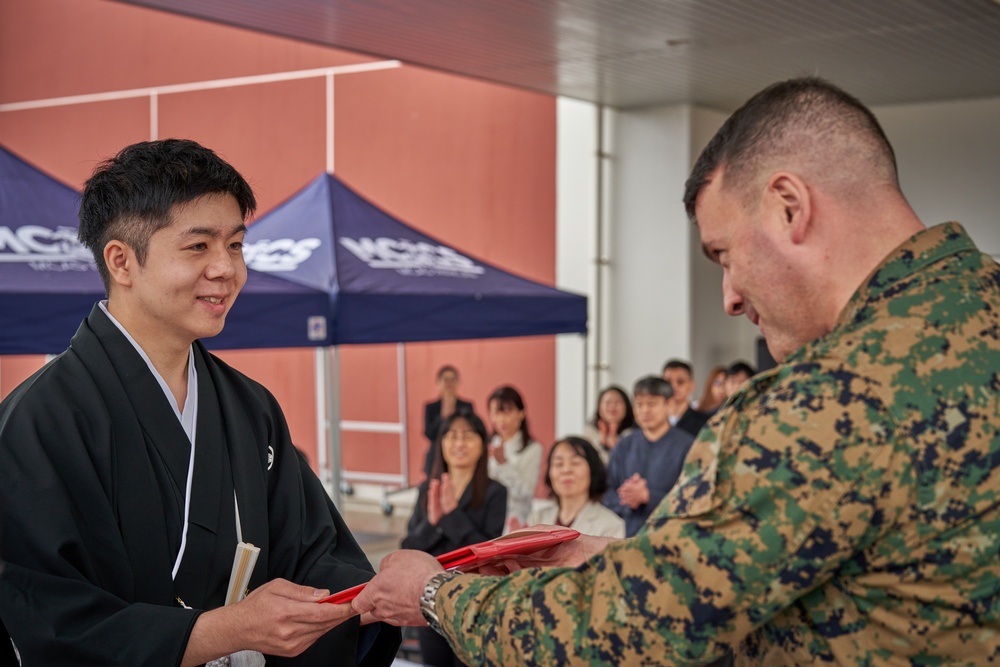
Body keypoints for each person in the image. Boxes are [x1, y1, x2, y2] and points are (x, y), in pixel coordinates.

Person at [350, 77, 1000, 665]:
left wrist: (437, 594)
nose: (731, 297)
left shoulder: (826, 397)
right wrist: (616, 560)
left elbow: (628, 630)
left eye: (724, 253)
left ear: (789, 207)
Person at [0, 139, 400, 666]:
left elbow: (313, 556)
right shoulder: (41, 419)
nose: (226, 270)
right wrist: (223, 631)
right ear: (121, 261)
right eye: (198, 247)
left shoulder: (250, 407)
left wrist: (374, 597)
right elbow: (48, 619)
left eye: (235, 245)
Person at [401, 410, 506, 667]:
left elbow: (486, 552)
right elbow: (409, 548)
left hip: (472, 603)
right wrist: (434, 523)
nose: (459, 443)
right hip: (430, 599)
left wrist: (450, 516)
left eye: (468, 436)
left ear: (482, 445)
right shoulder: (428, 489)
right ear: (441, 445)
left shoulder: (495, 492)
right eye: (452, 436)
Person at [602, 376, 696, 536]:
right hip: (628, 534)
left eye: (652, 403)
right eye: (639, 404)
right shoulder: (624, 444)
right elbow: (607, 492)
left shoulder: (688, 446)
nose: (644, 410)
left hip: (672, 535)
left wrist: (648, 497)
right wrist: (628, 500)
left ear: (669, 404)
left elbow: (694, 495)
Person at [527, 436, 625, 538]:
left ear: (592, 471)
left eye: (575, 463)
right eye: (558, 464)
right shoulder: (536, 519)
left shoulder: (611, 525)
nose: (566, 470)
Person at [485, 385, 543, 530]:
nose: (501, 420)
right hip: (486, 518)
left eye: (508, 412)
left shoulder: (533, 449)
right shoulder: (487, 445)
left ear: (521, 414)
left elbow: (526, 493)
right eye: (496, 413)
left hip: (515, 520)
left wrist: (504, 464)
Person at [421, 365, 474, 478]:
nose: (449, 383)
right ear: (438, 383)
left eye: (452, 379)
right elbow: (429, 434)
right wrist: (443, 417)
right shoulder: (431, 407)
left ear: (458, 383)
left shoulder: (466, 406)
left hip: (460, 453)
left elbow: (472, 431)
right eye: (445, 379)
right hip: (436, 455)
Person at [581, 384, 636, 464]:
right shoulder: (590, 433)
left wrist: (617, 446)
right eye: (607, 402)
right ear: (599, 407)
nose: (612, 407)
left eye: (618, 402)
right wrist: (602, 444)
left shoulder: (635, 432)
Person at [661, 358, 710, 437]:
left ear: (691, 386)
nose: (673, 386)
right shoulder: (649, 420)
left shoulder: (705, 423)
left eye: (680, 381)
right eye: (668, 382)